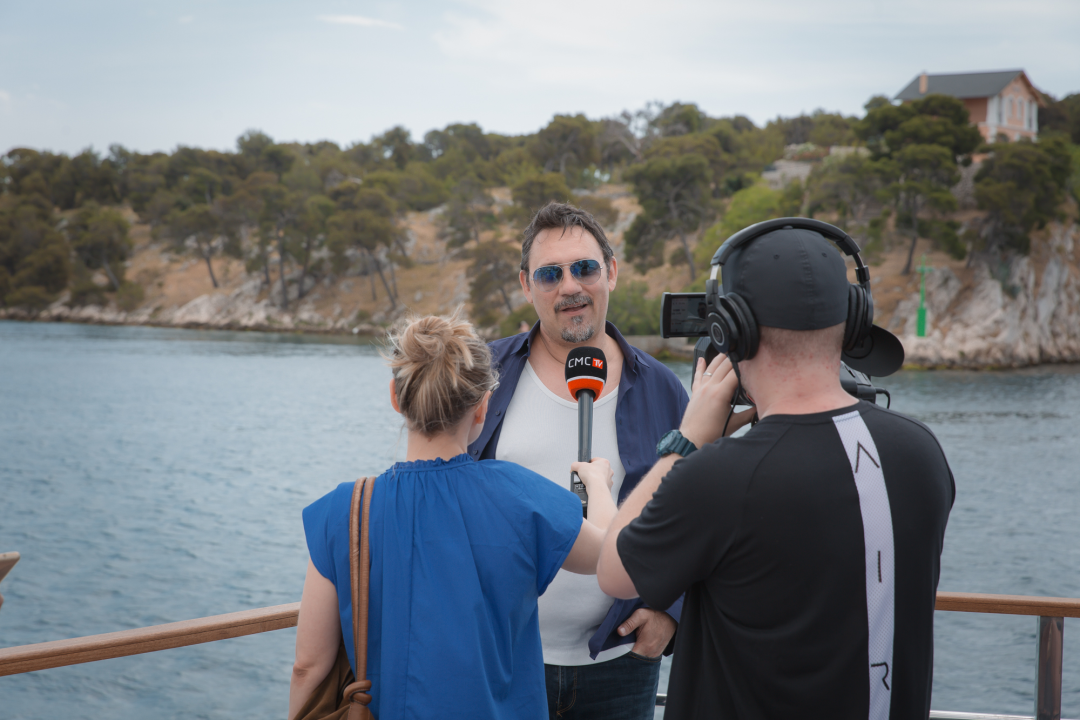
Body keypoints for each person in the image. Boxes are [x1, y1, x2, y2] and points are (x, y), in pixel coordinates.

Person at [597, 224, 955, 719]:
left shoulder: (718, 477)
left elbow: (614, 570)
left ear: (731, 329)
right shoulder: (921, 451)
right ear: (852, 320)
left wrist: (686, 442)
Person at [289, 313, 618, 720]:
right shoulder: (519, 496)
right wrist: (598, 483)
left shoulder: (343, 512)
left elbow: (309, 665)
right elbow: (611, 555)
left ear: (395, 397)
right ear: (481, 407)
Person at [468, 202, 689, 719]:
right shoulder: (481, 375)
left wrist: (672, 612)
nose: (570, 286)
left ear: (610, 272)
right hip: (499, 657)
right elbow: (436, 485)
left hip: (621, 662)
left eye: (584, 268)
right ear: (527, 285)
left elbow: (698, 514)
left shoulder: (661, 388)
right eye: (550, 273)